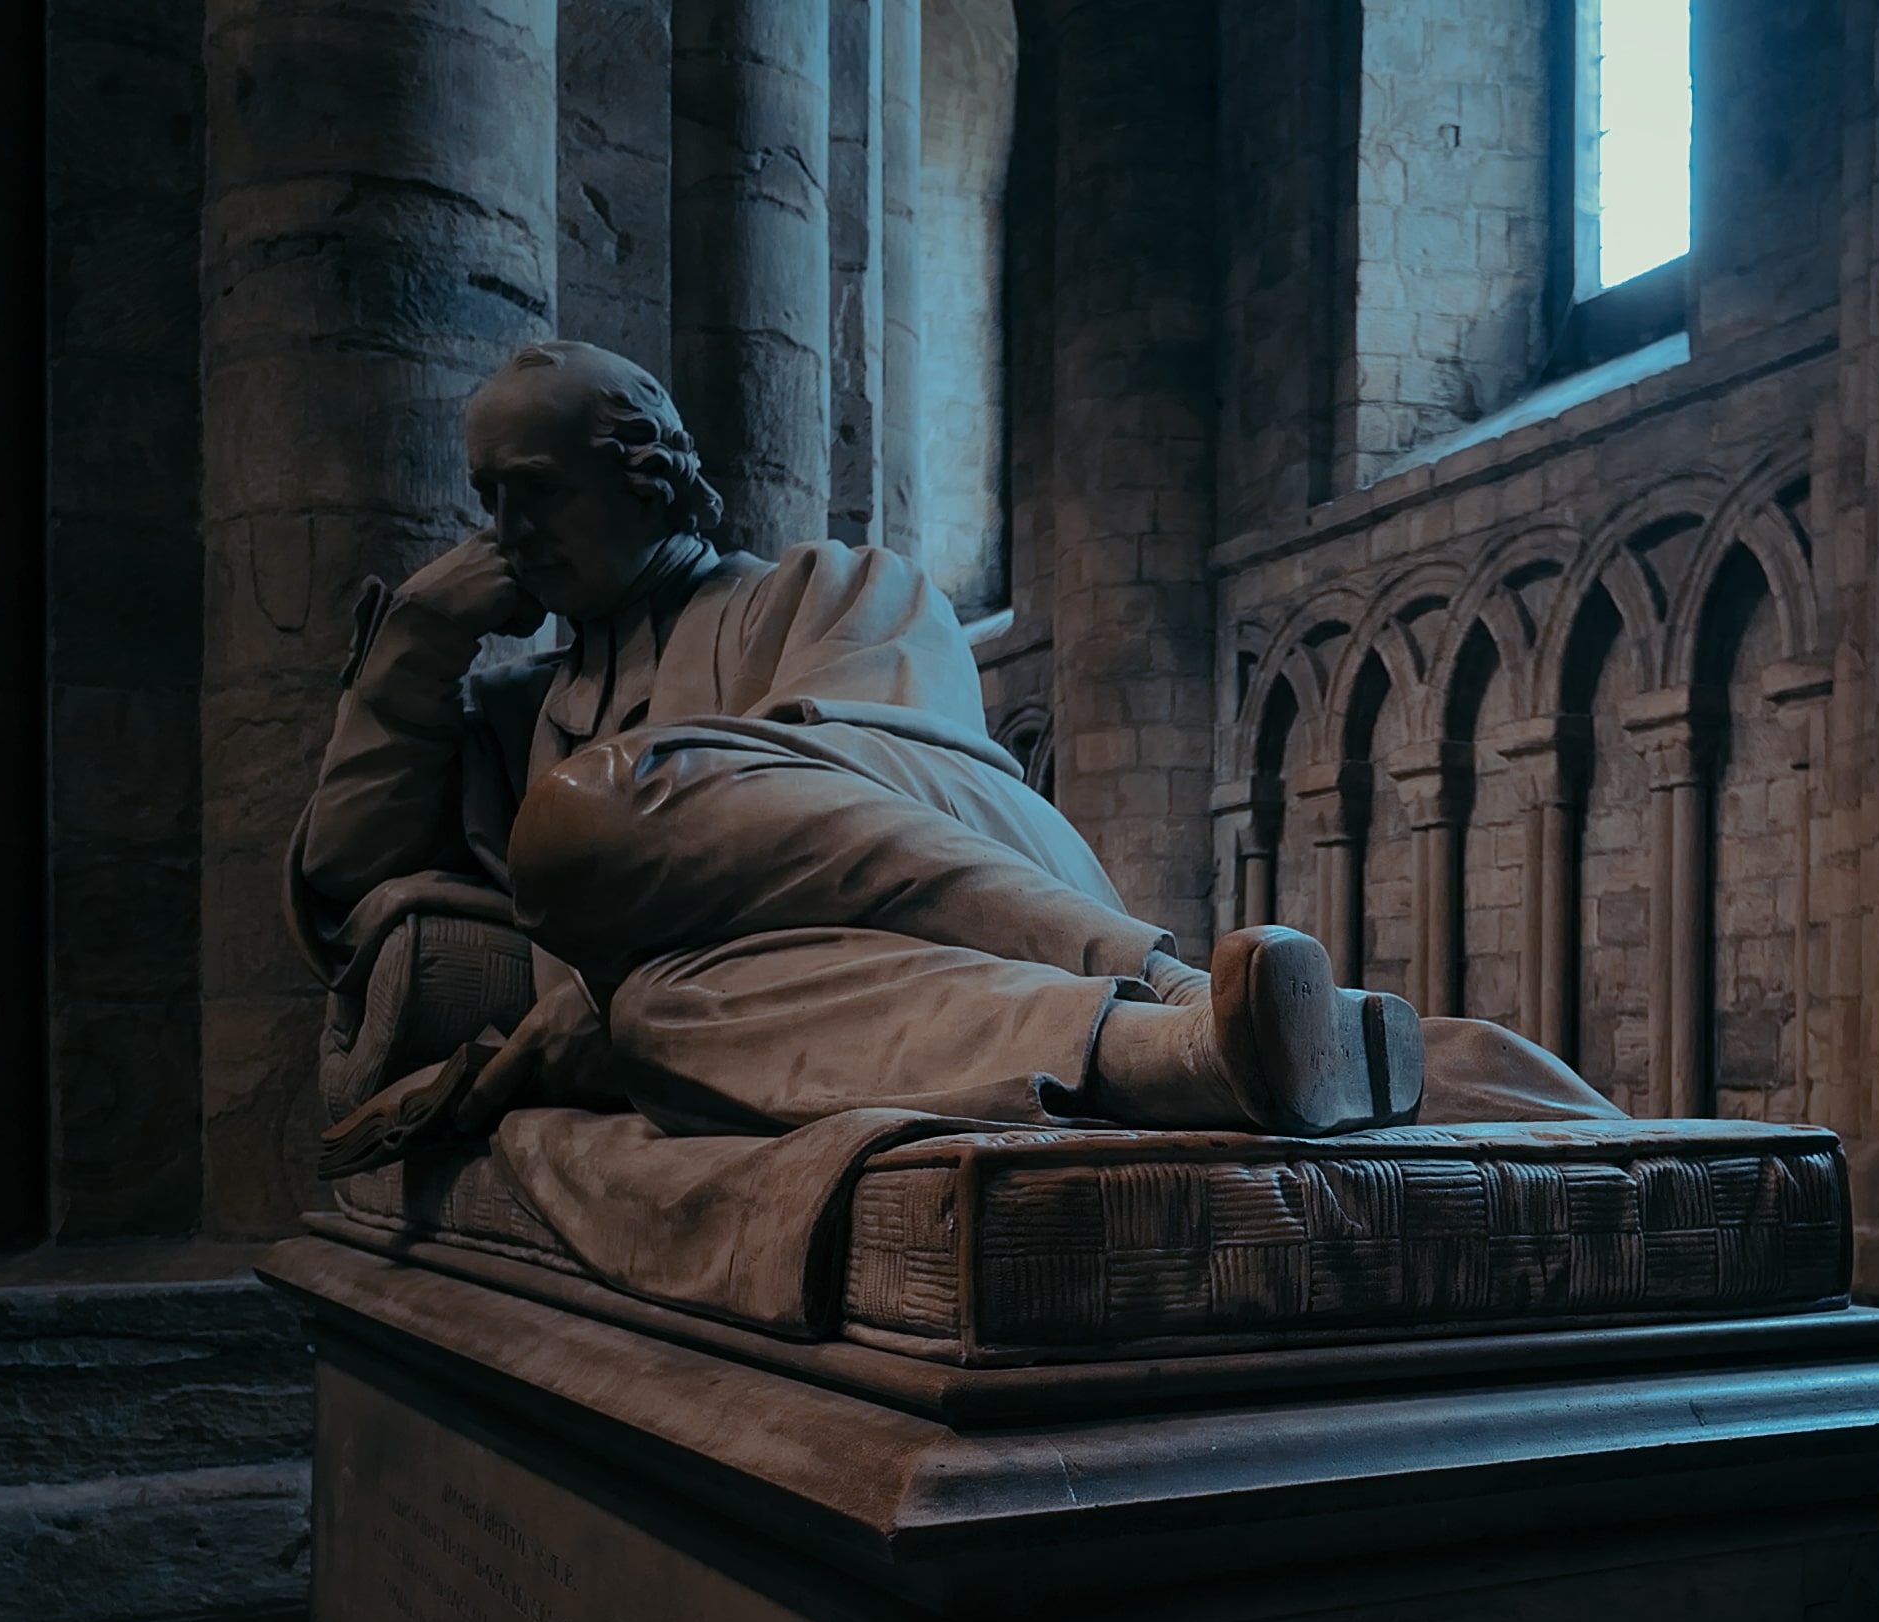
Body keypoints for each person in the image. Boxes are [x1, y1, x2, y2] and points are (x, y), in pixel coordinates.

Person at [288, 341, 1607, 1175]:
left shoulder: (825, 592)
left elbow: (871, 800)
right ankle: (1179, 1051)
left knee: (585, 826)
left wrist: (615, 855)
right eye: (488, 500)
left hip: (975, 915)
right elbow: (352, 889)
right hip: (770, 992)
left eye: (536, 489)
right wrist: (411, 649)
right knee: (656, 1014)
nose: (507, 529)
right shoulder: (520, 710)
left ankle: (1153, 976)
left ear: (648, 479)